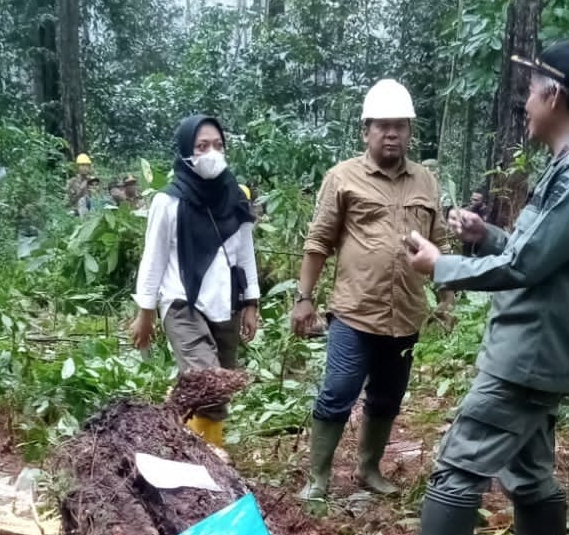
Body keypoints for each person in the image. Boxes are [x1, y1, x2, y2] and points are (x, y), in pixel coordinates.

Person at [366, 41, 569, 535]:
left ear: (554, 95)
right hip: (540, 347)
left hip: (530, 352)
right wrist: (488, 237)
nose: (523, 104)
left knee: (461, 459)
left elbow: (528, 266)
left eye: (529, 91)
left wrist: (443, 267)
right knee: (528, 467)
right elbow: (540, 252)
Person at [291, 79, 450, 501]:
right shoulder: (342, 178)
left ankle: (368, 469)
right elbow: (319, 241)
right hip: (355, 313)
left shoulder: (427, 182)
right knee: (338, 392)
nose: (392, 133)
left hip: (406, 315)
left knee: (387, 396)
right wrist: (304, 299)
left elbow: (441, 244)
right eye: (383, 125)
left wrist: (447, 297)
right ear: (366, 130)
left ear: (410, 131)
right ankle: (319, 478)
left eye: (400, 125)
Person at [130, 116, 260, 448]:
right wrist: (145, 314)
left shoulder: (235, 198)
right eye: (202, 146)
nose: (211, 153)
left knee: (216, 391)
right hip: (181, 304)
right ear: (187, 151)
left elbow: (245, 253)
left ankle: (178, 437)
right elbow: (153, 258)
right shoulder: (168, 202)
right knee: (210, 384)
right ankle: (210, 464)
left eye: (218, 145)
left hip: (225, 302)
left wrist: (251, 303)